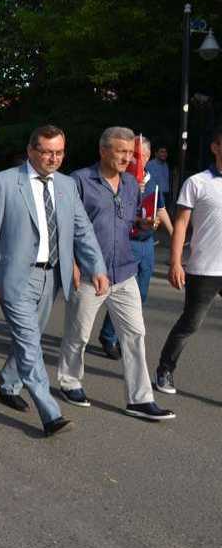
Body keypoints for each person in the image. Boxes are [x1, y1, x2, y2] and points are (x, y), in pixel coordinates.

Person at [0, 125, 109, 437]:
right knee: (29, 344)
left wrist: (97, 267)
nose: (54, 158)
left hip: (52, 277)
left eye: (59, 152)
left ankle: (9, 385)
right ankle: (50, 413)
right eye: (47, 151)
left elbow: (82, 230)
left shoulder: (66, 185)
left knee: (31, 337)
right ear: (31, 150)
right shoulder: (5, 182)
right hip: (15, 276)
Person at [55, 127, 175, 420]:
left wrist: (144, 225)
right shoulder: (79, 181)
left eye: (130, 153)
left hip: (123, 271)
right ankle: (69, 381)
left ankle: (139, 399)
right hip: (87, 273)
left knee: (135, 335)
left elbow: (129, 223)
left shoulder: (132, 184)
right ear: (103, 150)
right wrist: (70, 263)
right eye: (121, 151)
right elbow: (64, 225)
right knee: (79, 333)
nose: (128, 158)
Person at [155, 126, 222, 394]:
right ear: (215, 147)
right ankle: (165, 369)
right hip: (204, 268)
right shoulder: (197, 182)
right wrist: (175, 262)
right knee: (189, 324)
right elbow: (181, 225)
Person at [98, 136, 173, 359]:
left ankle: (120, 335)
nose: (140, 160)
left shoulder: (153, 182)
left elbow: (160, 210)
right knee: (120, 292)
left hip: (146, 243)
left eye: (144, 156)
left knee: (140, 294)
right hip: (125, 242)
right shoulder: (119, 179)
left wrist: (175, 233)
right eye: (136, 155)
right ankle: (110, 336)